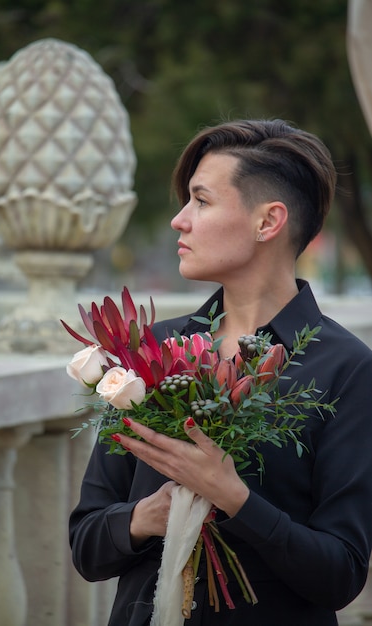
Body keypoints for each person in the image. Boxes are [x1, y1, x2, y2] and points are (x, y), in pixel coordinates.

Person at [69, 119, 372, 626]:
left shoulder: (347, 369)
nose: (179, 221)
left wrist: (233, 499)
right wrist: (145, 518)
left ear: (267, 221)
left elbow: (340, 575)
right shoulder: (148, 351)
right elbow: (87, 546)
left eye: (201, 201)